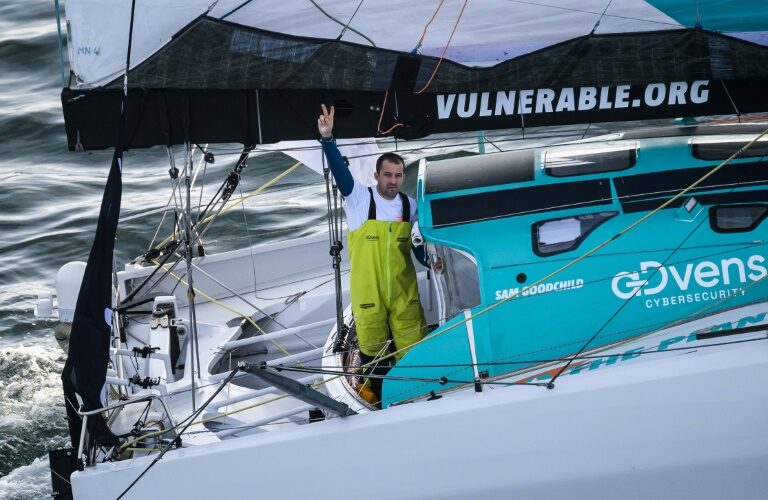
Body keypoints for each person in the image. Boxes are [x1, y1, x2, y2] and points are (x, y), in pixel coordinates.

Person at [318, 104, 427, 401]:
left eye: (398, 175)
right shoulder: (358, 200)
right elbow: (341, 174)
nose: (393, 181)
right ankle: (377, 398)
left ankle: (417, 396)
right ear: (377, 176)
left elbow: (422, 242)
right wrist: (327, 139)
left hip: (404, 294)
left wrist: (435, 261)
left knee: (415, 351)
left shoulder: (410, 206)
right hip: (369, 297)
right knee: (372, 354)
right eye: (387, 175)